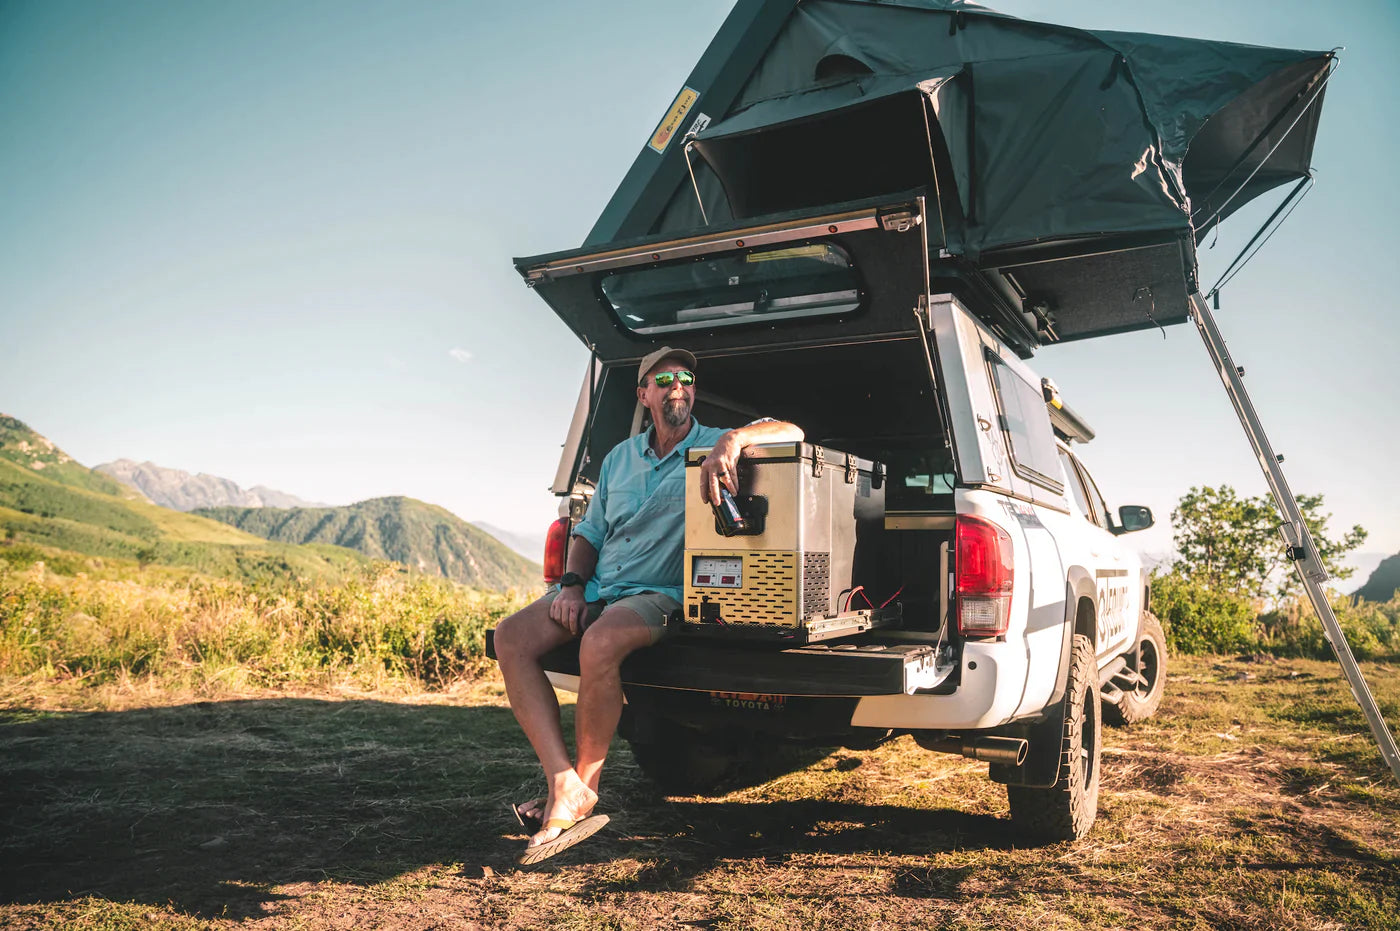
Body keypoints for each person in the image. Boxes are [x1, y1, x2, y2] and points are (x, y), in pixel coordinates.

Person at [493, 346, 803, 864]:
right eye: (663, 380)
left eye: (685, 378)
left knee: (599, 643)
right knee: (510, 637)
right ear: (644, 395)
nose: (676, 385)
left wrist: (733, 441)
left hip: (660, 594)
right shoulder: (619, 458)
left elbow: (792, 431)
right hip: (601, 587)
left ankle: (583, 789)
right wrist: (572, 586)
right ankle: (563, 782)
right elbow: (590, 533)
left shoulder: (713, 443)